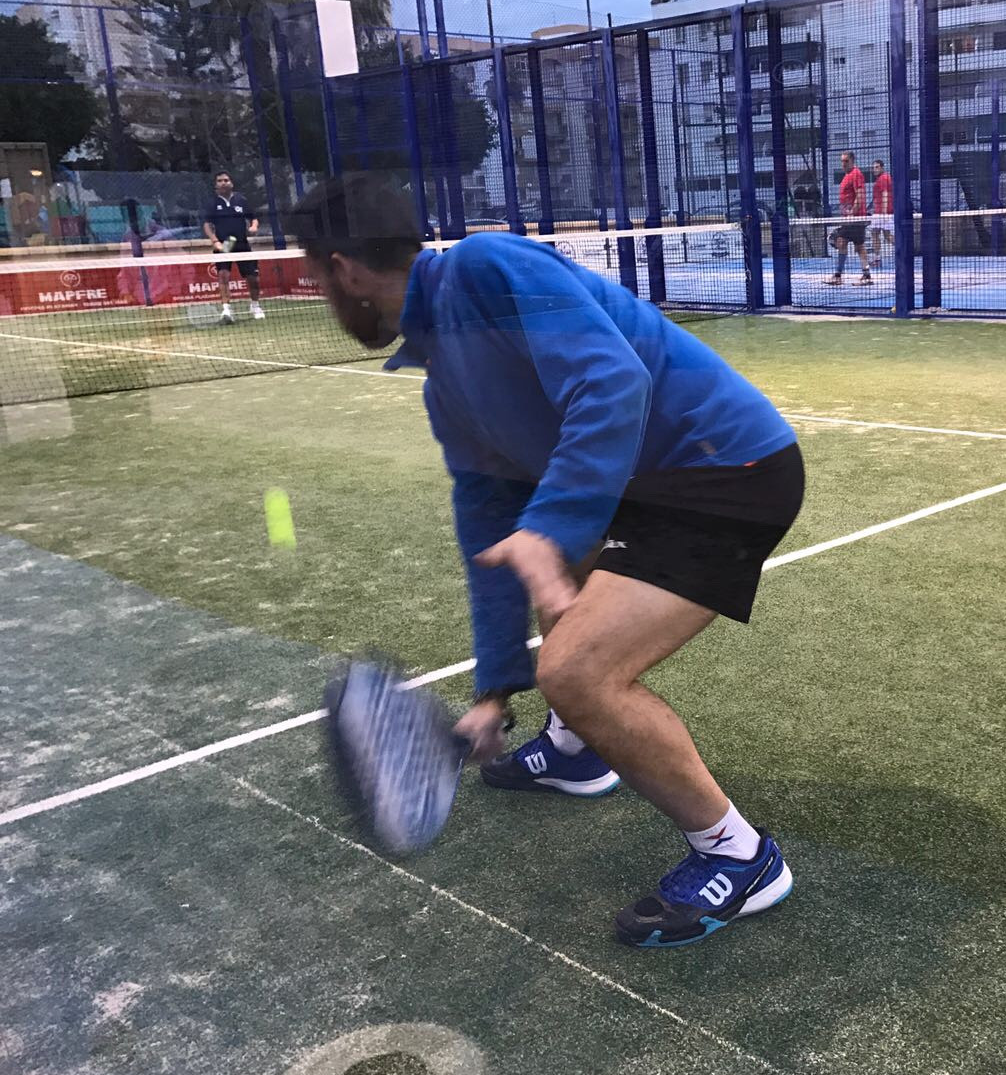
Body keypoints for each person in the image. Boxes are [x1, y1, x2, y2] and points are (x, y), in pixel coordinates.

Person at [284, 174, 804, 948]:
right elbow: (489, 528)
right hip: (644, 485)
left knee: (578, 670)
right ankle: (574, 751)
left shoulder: (486, 266)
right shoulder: (442, 381)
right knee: (538, 550)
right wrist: (494, 690)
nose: (321, 295)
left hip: (726, 471)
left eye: (316, 278)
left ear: (345, 269)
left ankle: (739, 854)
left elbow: (613, 382)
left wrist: (549, 528)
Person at [203, 170, 265, 324]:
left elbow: (253, 218)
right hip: (226, 243)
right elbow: (207, 225)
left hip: (242, 242)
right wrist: (215, 241)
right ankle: (226, 310)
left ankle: (255, 306)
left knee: (253, 278)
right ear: (216, 185)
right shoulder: (212, 203)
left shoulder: (241, 200)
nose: (223, 183)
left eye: (226, 180)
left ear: (231, 183)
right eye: (220, 181)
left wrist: (254, 226)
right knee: (223, 275)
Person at [825, 150, 871, 286]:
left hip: (855, 219)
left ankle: (841, 275)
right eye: (842, 161)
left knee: (846, 243)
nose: (843, 164)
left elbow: (860, 196)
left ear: (852, 161)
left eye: (846, 161)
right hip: (849, 219)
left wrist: (852, 214)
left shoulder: (856, 174)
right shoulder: (847, 176)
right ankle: (863, 275)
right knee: (852, 244)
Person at [868, 158, 893, 269]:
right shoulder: (884, 178)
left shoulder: (883, 178)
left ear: (882, 168)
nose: (875, 169)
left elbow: (885, 194)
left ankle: (877, 259)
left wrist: (884, 212)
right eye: (874, 167)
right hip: (881, 212)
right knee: (886, 236)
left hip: (882, 213)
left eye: (877, 167)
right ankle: (903, 250)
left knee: (875, 234)